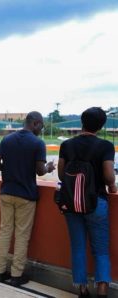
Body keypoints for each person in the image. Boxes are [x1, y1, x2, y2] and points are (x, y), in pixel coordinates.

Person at [58, 107, 116, 298]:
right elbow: (108, 177)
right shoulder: (106, 146)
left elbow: (61, 173)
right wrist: (113, 187)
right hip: (96, 202)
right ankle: (102, 290)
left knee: (78, 247)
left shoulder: (66, 145)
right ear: (101, 126)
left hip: (71, 203)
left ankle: (83, 290)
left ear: (82, 122)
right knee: (100, 249)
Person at [0, 111, 55, 287]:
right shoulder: (37, 143)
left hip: (6, 192)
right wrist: (49, 167)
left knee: (4, 232)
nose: (41, 129)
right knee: (21, 235)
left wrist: (8, 170)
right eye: (41, 125)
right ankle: (16, 275)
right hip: (26, 195)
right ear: (35, 123)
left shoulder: (8, 139)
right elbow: (40, 171)